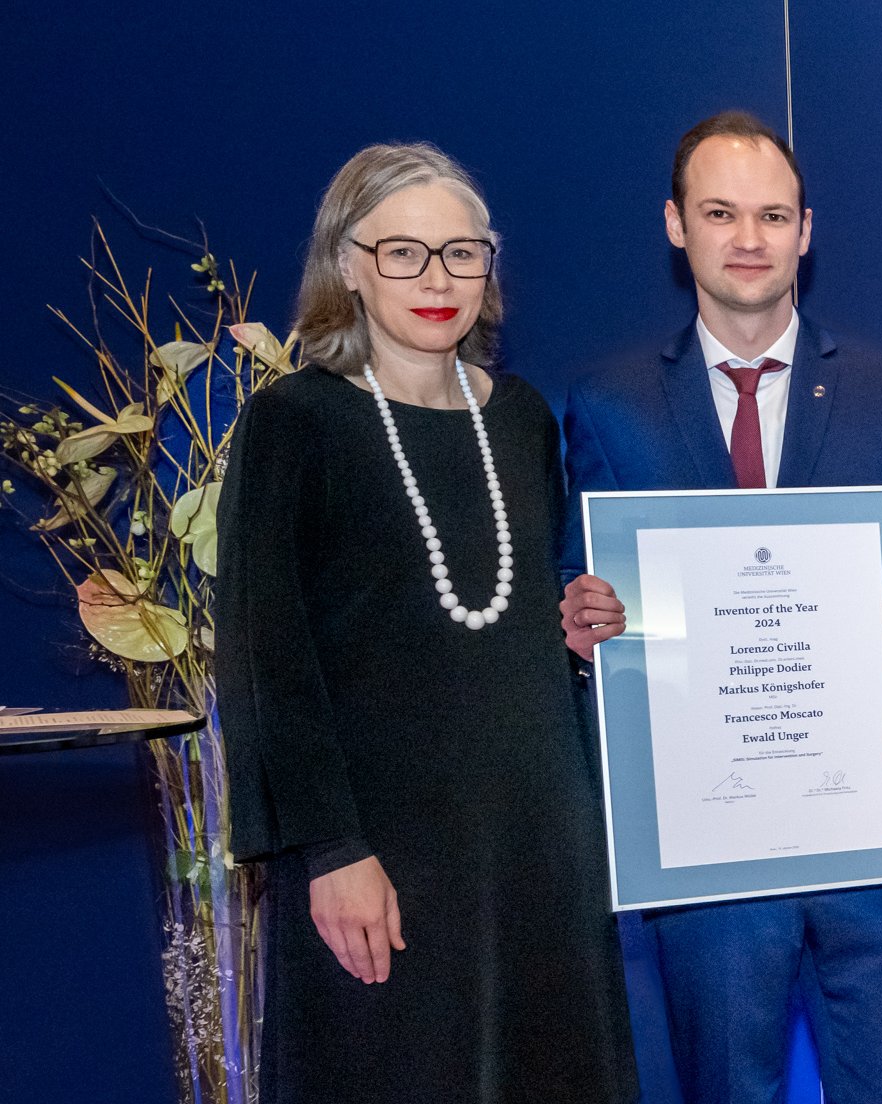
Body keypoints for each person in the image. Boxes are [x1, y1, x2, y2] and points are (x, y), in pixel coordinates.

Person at [552, 110, 882, 1103]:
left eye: (772, 216)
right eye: (720, 213)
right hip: (708, 866)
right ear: (675, 225)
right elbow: (580, 596)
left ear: (805, 231)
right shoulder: (610, 402)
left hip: (875, 857)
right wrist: (577, 623)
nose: (748, 238)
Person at [216, 142, 635, 1102]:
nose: (437, 280)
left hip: (537, 838)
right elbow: (265, 657)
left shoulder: (522, 418)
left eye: (461, 253)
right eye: (403, 253)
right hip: (380, 851)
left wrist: (571, 635)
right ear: (348, 264)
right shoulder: (295, 423)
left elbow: (497, 618)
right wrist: (329, 852)